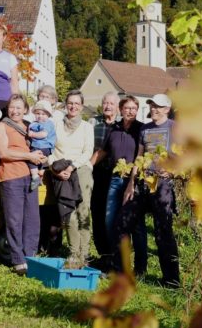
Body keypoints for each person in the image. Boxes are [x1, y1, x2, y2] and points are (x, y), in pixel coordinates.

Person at [115, 93, 180, 288]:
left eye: (158, 107)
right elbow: (139, 157)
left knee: (163, 233)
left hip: (163, 186)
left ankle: (171, 281)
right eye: (152, 106)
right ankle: (121, 272)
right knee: (122, 223)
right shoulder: (145, 128)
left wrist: (174, 171)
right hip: (143, 183)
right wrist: (130, 184)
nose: (154, 109)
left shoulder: (175, 128)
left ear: (167, 109)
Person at [0, 94, 46, 274]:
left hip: (30, 177)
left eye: (18, 107)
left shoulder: (30, 126)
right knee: (14, 219)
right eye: (12, 107)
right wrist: (29, 156)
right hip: (11, 176)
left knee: (32, 219)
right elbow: (3, 152)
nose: (14, 111)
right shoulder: (2, 126)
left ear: (25, 109)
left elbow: (40, 145)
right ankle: (18, 259)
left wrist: (41, 156)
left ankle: (30, 256)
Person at [99, 96, 147, 275]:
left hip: (134, 181)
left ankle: (140, 268)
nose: (131, 111)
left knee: (137, 226)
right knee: (110, 221)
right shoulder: (113, 129)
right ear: (120, 109)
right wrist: (83, 166)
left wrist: (134, 181)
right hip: (115, 180)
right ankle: (117, 264)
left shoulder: (141, 129)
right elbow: (102, 152)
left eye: (134, 108)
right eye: (127, 108)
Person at [47, 90, 94, 268]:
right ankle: (75, 253)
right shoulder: (56, 125)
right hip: (60, 172)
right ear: (65, 105)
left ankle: (84, 255)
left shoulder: (87, 127)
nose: (73, 106)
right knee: (68, 214)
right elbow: (49, 150)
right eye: (70, 103)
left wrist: (72, 166)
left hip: (80, 169)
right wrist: (54, 167)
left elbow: (88, 152)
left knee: (83, 213)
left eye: (77, 103)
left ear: (82, 106)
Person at [89, 91, 119, 268]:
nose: (108, 106)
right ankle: (103, 254)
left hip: (115, 173)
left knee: (113, 215)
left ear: (117, 106)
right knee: (98, 213)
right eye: (105, 103)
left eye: (111, 103)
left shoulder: (122, 125)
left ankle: (114, 254)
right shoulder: (94, 122)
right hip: (97, 172)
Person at [27, 100, 56, 191]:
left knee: (31, 160)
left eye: (43, 114)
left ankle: (35, 177)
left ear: (48, 115)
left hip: (42, 146)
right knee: (40, 163)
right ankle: (40, 175)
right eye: (38, 113)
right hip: (41, 147)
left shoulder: (47, 124)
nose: (40, 116)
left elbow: (43, 134)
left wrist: (32, 134)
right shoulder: (36, 123)